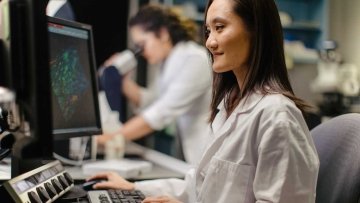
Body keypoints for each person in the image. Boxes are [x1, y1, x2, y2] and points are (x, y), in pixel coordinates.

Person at [88, 0, 320, 202]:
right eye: (208, 31)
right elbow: (201, 185)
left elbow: (161, 112)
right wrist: (135, 188)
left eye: (220, 28)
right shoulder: (230, 104)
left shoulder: (277, 117)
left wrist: (109, 138)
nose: (209, 42)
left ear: (256, 30)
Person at [98, 4, 212, 165]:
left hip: (208, 149)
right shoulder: (167, 64)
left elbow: (161, 112)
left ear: (163, 34)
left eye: (142, 44)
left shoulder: (194, 59)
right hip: (193, 152)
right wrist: (122, 81)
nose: (141, 52)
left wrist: (110, 137)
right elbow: (151, 102)